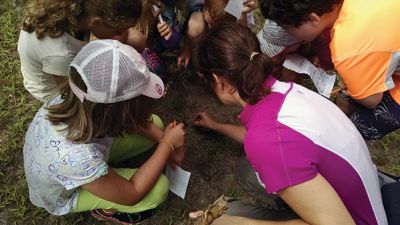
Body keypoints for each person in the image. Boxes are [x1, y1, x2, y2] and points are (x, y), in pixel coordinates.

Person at [191, 22, 387, 225]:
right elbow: (274, 141)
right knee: (246, 172)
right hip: (365, 202)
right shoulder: (284, 92)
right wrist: (217, 126)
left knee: (230, 212)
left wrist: (231, 223)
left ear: (219, 81)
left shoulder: (267, 139)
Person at [23, 39, 185, 225]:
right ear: (119, 112)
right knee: (157, 189)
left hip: (81, 150)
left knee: (154, 125)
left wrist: (164, 139)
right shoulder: (77, 158)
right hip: (69, 190)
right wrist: (167, 145)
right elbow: (132, 193)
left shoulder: (79, 98)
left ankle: (104, 175)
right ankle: (107, 209)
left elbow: (134, 121)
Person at [260, 0, 400, 140]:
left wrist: (354, 86)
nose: (288, 33)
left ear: (312, 19)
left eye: (287, 28)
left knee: (357, 128)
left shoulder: (347, 48)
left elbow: (372, 100)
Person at [18, 0, 141, 102]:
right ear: (96, 22)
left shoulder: (79, 12)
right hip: (55, 89)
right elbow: (71, 95)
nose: (121, 34)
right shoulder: (60, 54)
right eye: (117, 31)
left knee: (136, 40)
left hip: (62, 64)